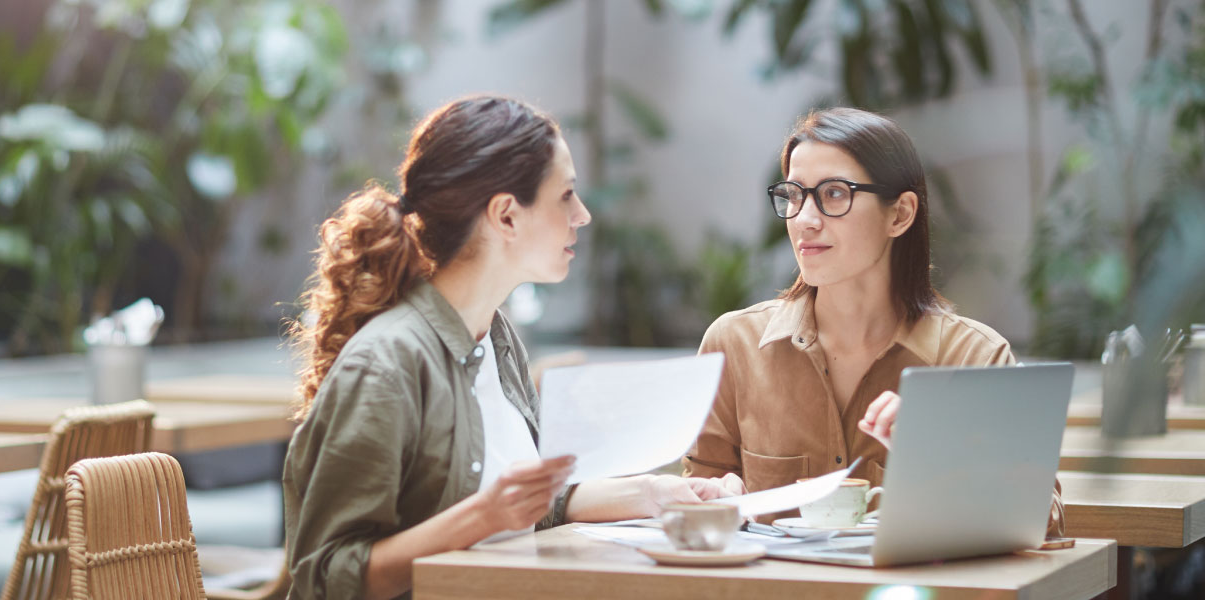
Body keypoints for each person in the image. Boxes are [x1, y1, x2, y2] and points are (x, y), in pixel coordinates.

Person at [284, 96, 729, 600]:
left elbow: (531, 505)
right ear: (507, 216)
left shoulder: (497, 339)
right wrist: (481, 517)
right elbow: (323, 577)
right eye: (566, 196)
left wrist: (652, 494)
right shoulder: (386, 364)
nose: (582, 215)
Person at [683, 107, 1064, 534]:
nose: (804, 220)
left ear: (899, 214)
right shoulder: (733, 345)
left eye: (833, 194)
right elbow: (698, 497)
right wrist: (716, 499)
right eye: (793, 195)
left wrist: (944, 451)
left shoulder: (974, 357)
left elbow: (1045, 521)